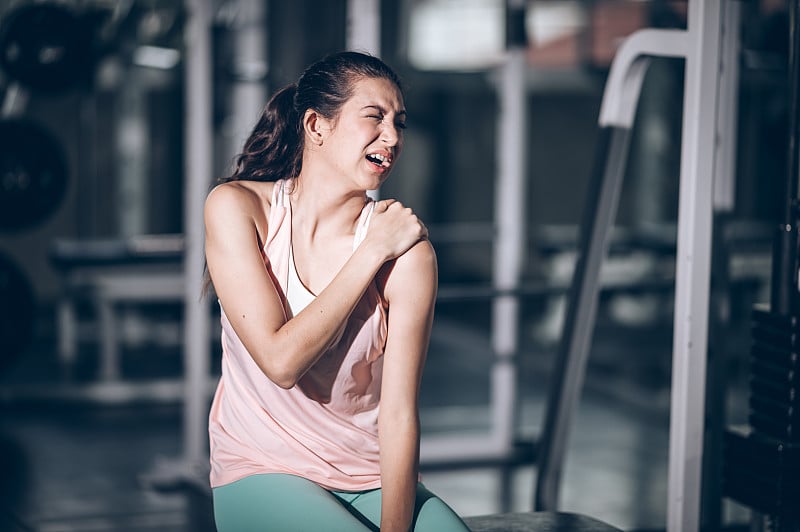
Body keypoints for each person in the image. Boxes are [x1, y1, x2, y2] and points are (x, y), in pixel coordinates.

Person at [204, 51, 471, 532]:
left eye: (399, 123)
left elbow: (398, 413)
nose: (392, 137)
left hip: (368, 475)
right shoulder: (238, 208)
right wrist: (369, 253)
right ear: (316, 125)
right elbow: (281, 361)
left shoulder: (409, 254)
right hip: (263, 467)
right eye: (375, 117)